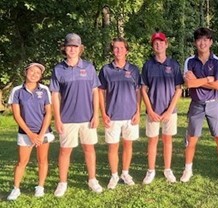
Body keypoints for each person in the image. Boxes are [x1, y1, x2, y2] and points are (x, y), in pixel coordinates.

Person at [50, 33, 102, 196]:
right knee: (65, 150)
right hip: (67, 118)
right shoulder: (58, 70)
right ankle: (62, 182)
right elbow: (55, 96)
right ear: (64, 49)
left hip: (87, 117)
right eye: (69, 46)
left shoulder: (89, 67)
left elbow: (95, 92)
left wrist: (96, 114)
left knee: (89, 149)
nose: (72, 49)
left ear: (80, 48)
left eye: (75, 46)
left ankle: (92, 179)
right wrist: (57, 118)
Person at [180, 27, 218, 182]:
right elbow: (188, 84)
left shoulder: (217, 61)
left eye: (205, 39)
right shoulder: (189, 61)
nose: (202, 43)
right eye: (199, 39)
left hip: (213, 104)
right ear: (195, 42)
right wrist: (207, 79)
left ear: (210, 42)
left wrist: (197, 81)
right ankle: (187, 170)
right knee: (192, 138)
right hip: (196, 104)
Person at [7, 63, 54, 200]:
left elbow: (48, 113)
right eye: (32, 71)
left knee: (42, 160)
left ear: (41, 76)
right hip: (25, 133)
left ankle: (40, 187)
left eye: (38, 73)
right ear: (26, 72)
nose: (34, 74)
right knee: (22, 162)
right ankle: (16, 189)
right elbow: (17, 115)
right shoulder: (17, 90)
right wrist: (31, 135)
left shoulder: (44, 90)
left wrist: (40, 135)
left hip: (43, 133)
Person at [141, 32, 184, 184]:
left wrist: (169, 110)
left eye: (161, 42)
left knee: (167, 140)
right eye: (155, 43)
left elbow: (179, 89)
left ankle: (167, 169)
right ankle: (151, 171)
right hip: (153, 111)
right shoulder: (148, 65)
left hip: (169, 112)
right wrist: (150, 110)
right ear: (153, 46)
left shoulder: (174, 65)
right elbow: (143, 90)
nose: (158, 44)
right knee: (152, 141)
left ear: (166, 44)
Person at [98, 37, 141, 189]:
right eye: (115, 48)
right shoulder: (106, 70)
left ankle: (125, 172)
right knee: (113, 147)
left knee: (128, 146)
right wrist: (103, 113)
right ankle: (114, 175)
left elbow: (138, 92)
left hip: (130, 115)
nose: (118, 51)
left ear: (127, 50)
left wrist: (138, 111)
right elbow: (101, 92)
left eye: (121, 48)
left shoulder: (134, 70)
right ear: (112, 51)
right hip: (112, 115)